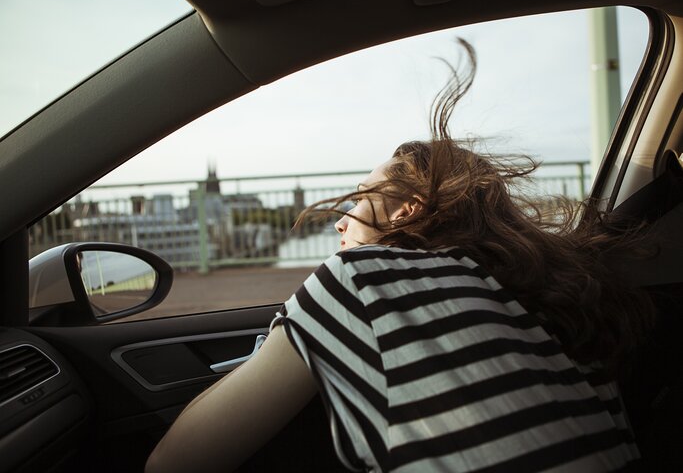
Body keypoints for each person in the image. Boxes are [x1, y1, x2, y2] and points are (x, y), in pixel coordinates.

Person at [146, 41, 653, 472]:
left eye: (361, 198)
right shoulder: (551, 304)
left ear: (408, 210)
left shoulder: (364, 279)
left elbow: (173, 463)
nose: (342, 220)